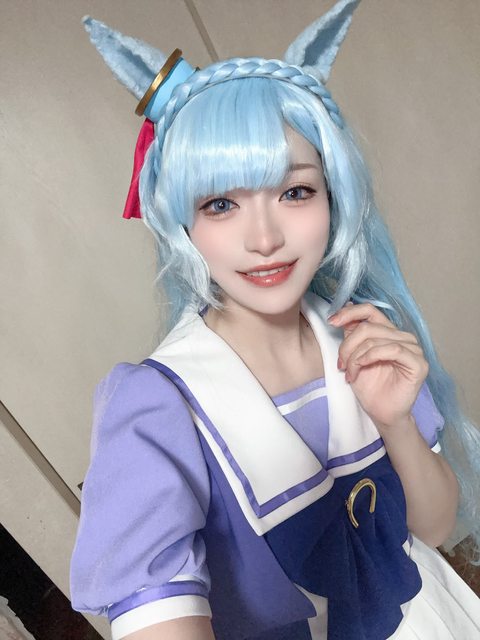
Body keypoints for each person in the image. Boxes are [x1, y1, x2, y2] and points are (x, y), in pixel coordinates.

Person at [71, 2, 480, 638]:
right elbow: (158, 613)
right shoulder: (157, 407)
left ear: (333, 197)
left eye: (295, 192)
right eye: (220, 203)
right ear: (182, 222)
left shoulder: (362, 335)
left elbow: (430, 530)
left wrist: (396, 423)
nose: (264, 239)